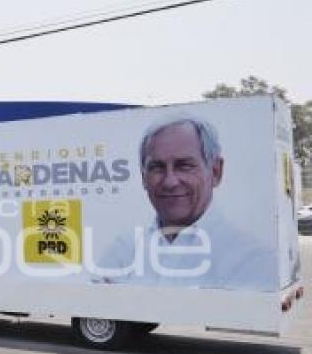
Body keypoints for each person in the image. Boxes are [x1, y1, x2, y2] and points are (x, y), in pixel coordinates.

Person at [93, 115, 275, 290]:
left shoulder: (249, 257)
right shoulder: (125, 248)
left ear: (216, 172)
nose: (170, 181)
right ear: (143, 178)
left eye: (184, 166)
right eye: (157, 167)